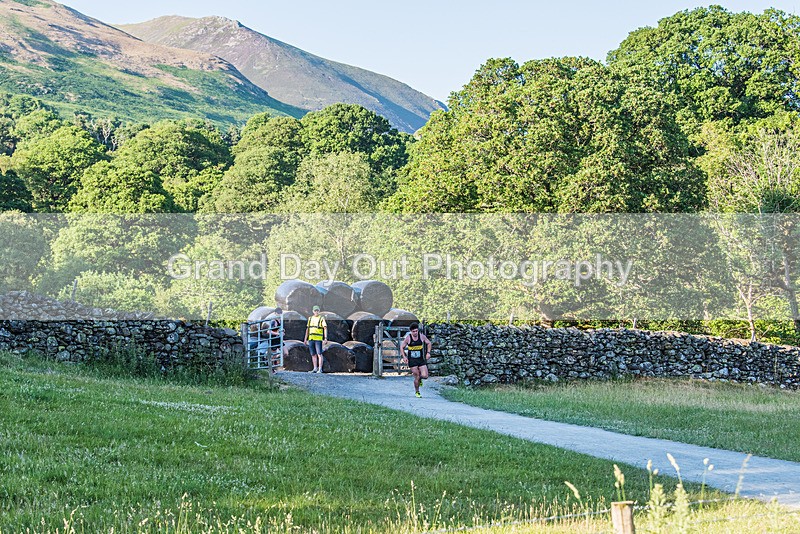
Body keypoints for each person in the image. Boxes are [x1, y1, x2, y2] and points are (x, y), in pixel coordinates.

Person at [400, 322, 432, 397]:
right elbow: (402, 347)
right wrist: (404, 356)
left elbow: (429, 343)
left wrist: (428, 353)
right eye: (413, 331)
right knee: (417, 375)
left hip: (420, 359)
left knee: (425, 376)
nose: (415, 333)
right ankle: (417, 392)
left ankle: (419, 379)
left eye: (416, 331)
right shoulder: (408, 338)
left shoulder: (422, 336)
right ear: (411, 331)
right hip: (412, 360)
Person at [304, 305, 327, 373]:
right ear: (313, 311)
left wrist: (325, 338)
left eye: (317, 310)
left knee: (319, 354)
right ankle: (315, 368)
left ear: (319, 311)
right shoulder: (310, 318)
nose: (316, 312)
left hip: (318, 339)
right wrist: (305, 339)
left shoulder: (321, 318)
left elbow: (325, 328)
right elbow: (307, 329)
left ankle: (320, 369)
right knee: (313, 354)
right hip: (311, 338)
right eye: (315, 310)